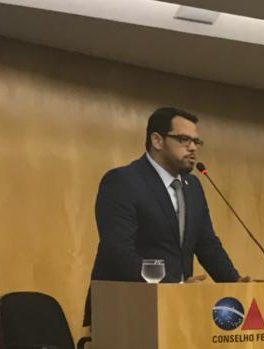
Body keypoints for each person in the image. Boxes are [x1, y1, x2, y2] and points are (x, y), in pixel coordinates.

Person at [86, 107, 245, 324]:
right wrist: (174, 288)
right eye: (184, 139)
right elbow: (118, 253)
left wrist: (236, 284)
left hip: (177, 312)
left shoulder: (192, 186)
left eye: (196, 142)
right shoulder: (123, 181)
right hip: (126, 311)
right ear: (157, 141)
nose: (192, 148)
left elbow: (207, 244)